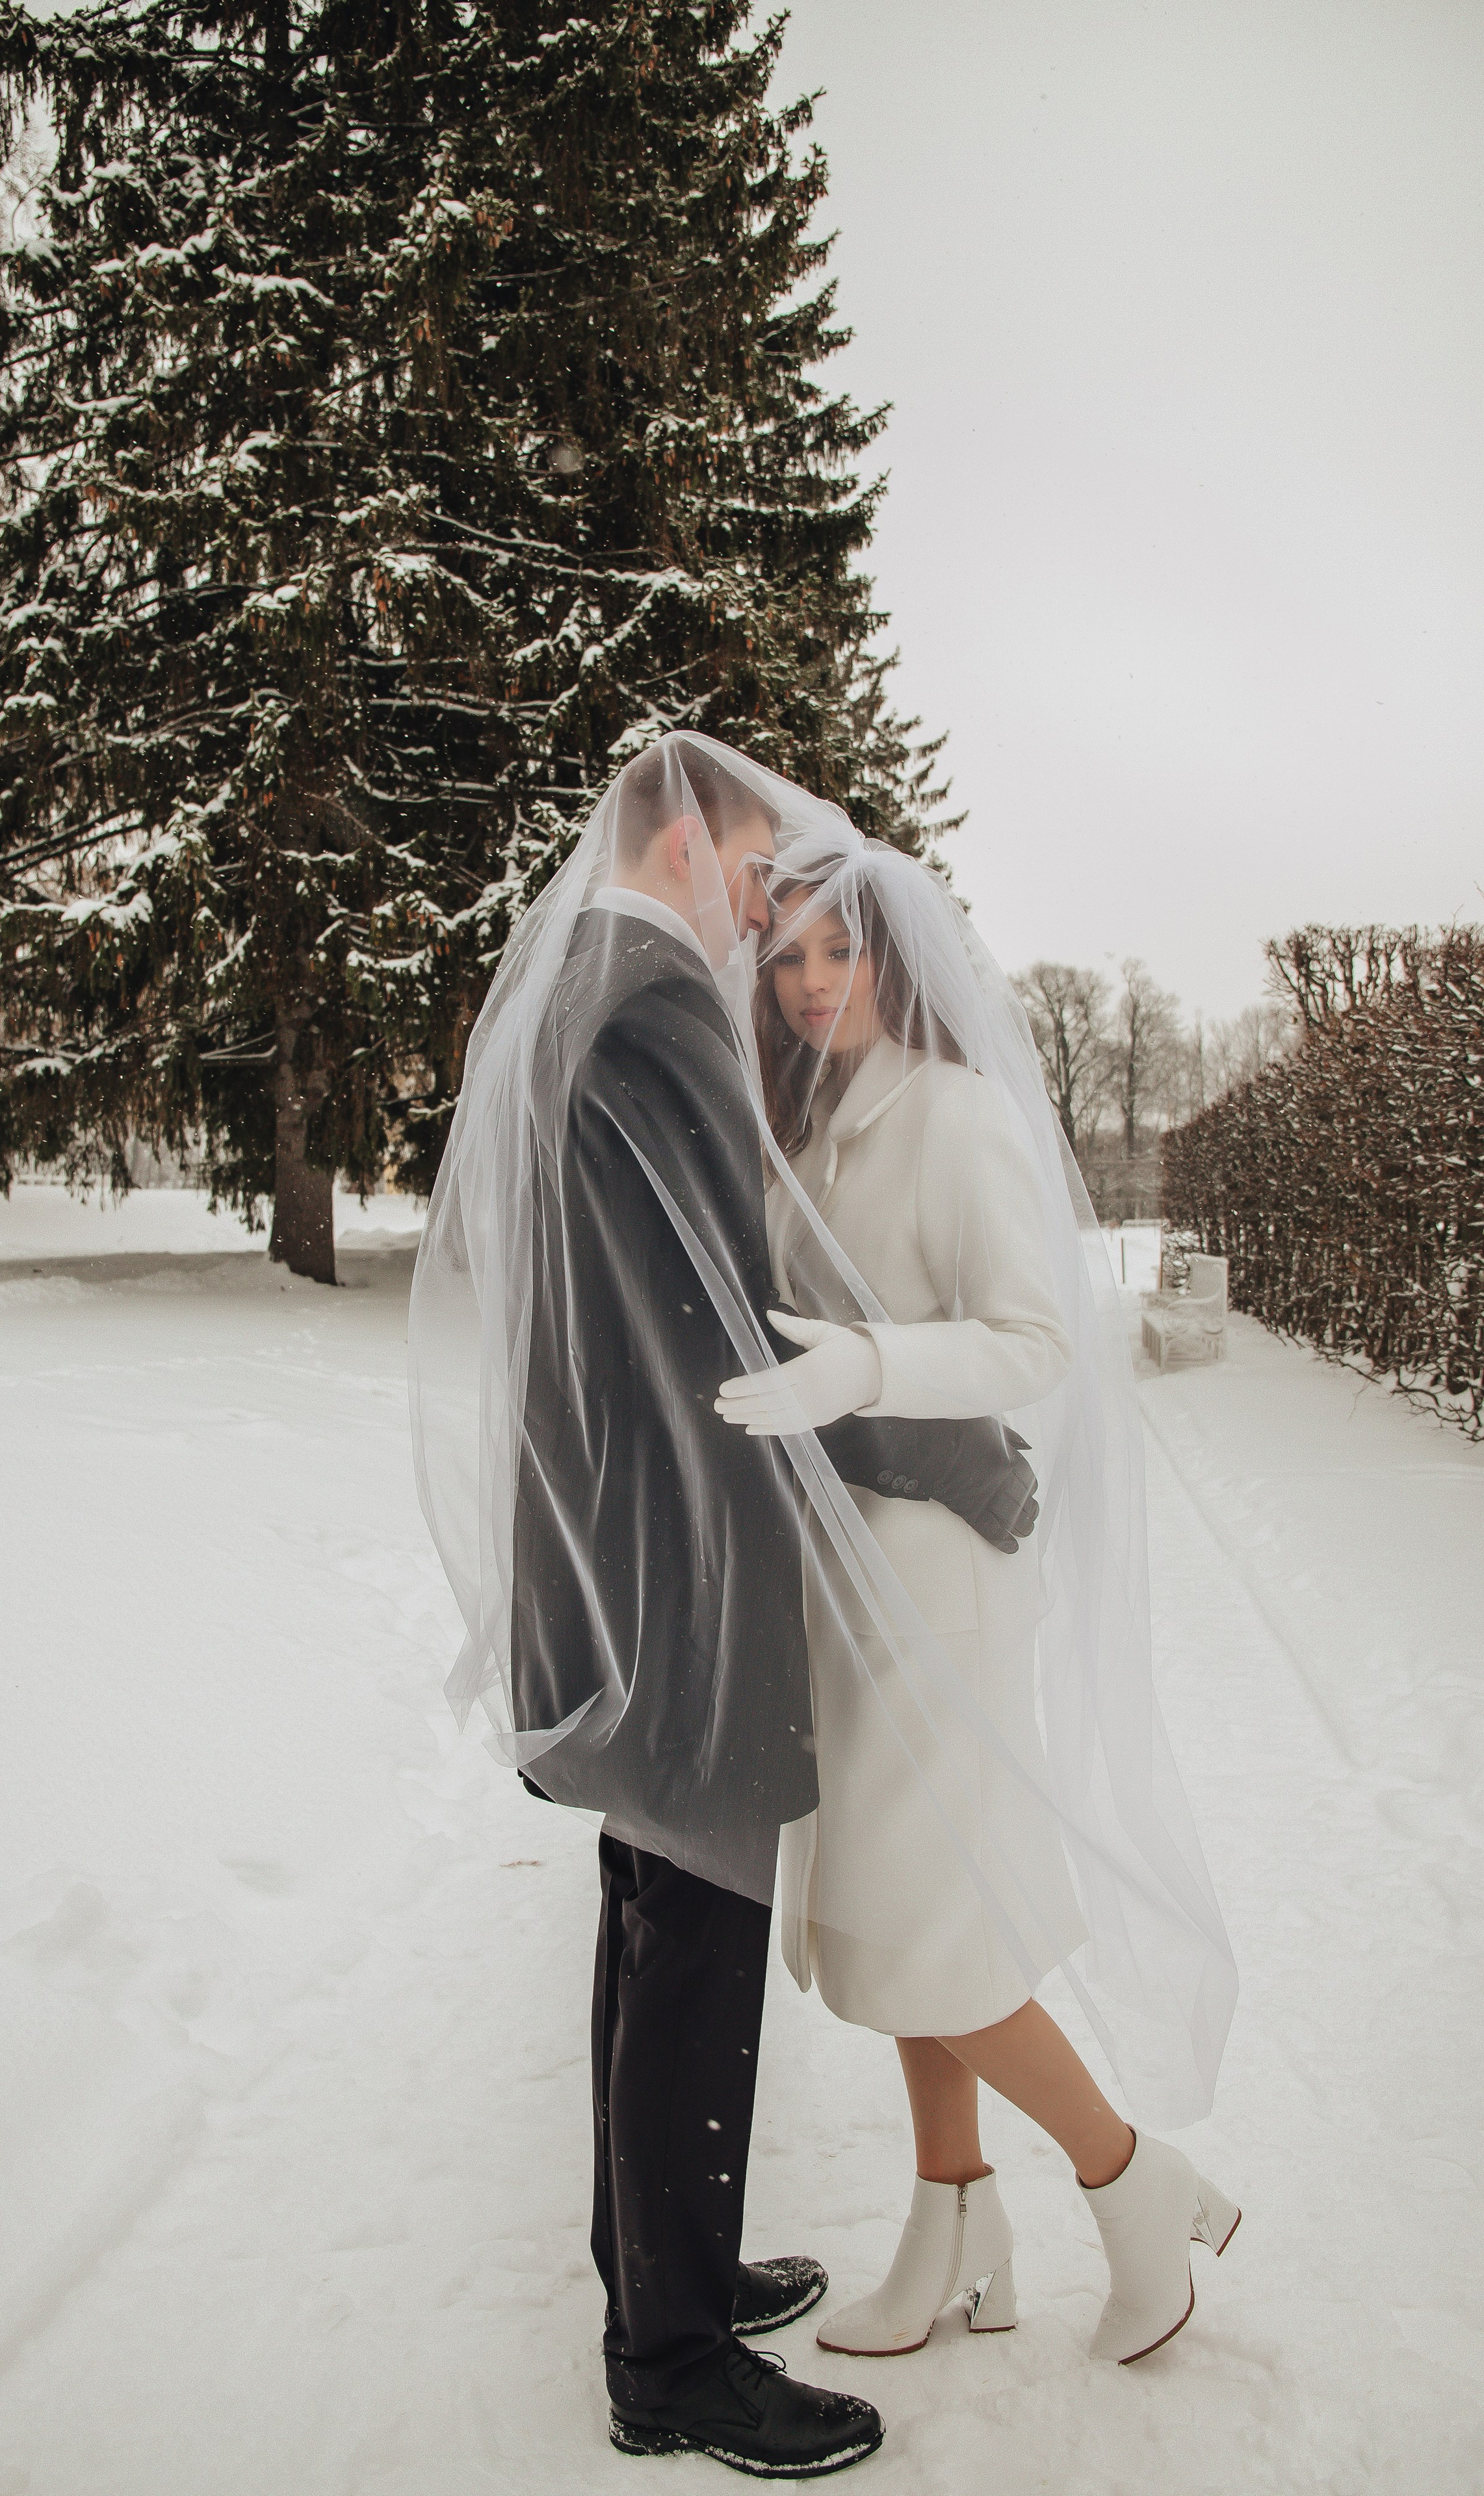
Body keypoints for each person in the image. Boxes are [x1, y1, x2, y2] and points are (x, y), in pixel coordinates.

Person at [411, 737, 886, 2477]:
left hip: (603, 1531)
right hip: (681, 1561)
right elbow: (731, 1328)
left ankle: (658, 2266)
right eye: (754, 872)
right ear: (683, 838)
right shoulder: (659, 1003)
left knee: (643, 1918)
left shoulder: (564, 994)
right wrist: (932, 1441)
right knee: (694, 1940)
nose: (762, 916)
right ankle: (671, 2364)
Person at [714, 836, 1240, 2365]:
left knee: (923, 1932)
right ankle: (955, 2222)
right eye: (786, 958)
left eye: (837, 952)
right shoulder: (807, 1122)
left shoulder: (953, 1114)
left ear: (894, 958)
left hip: (935, 1578)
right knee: (908, 1922)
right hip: (845, 1574)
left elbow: (1033, 1341)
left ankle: (1130, 2181)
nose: (810, 984)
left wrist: (867, 1367)